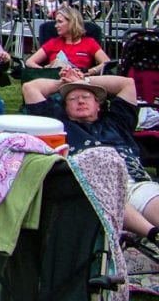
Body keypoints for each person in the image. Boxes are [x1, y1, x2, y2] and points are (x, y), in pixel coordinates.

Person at [23, 79, 158, 241]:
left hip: (133, 181)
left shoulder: (117, 122)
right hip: (92, 187)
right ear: (66, 107)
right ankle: (152, 233)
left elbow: (128, 84)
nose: (80, 101)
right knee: (108, 193)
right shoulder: (60, 127)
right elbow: (30, 88)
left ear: (98, 105)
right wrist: (63, 82)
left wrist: (84, 78)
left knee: (152, 200)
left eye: (86, 97)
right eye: (72, 99)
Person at [21, 5, 135, 105]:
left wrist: (92, 71)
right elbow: (30, 62)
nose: (56, 26)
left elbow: (106, 62)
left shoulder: (89, 42)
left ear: (72, 22)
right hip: (57, 79)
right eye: (56, 22)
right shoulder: (54, 42)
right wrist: (45, 70)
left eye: (60, 22)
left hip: (80, 80)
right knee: (58, 63)